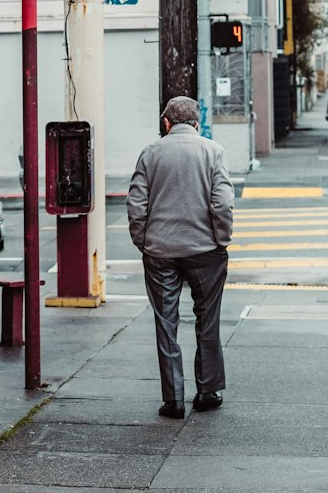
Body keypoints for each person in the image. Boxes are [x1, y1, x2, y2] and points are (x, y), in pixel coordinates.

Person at [126, 96, 234, 420]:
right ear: (197, 123)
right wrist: (221, 239)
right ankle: (207, 391)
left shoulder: (150, 153)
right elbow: (223, 203)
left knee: (165, 323)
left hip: (160, 252)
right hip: (205, 251)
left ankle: (173, 399)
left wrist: (144, 241)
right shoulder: (213, 152)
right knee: (208, 320)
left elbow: (136, 205)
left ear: (167, 123)